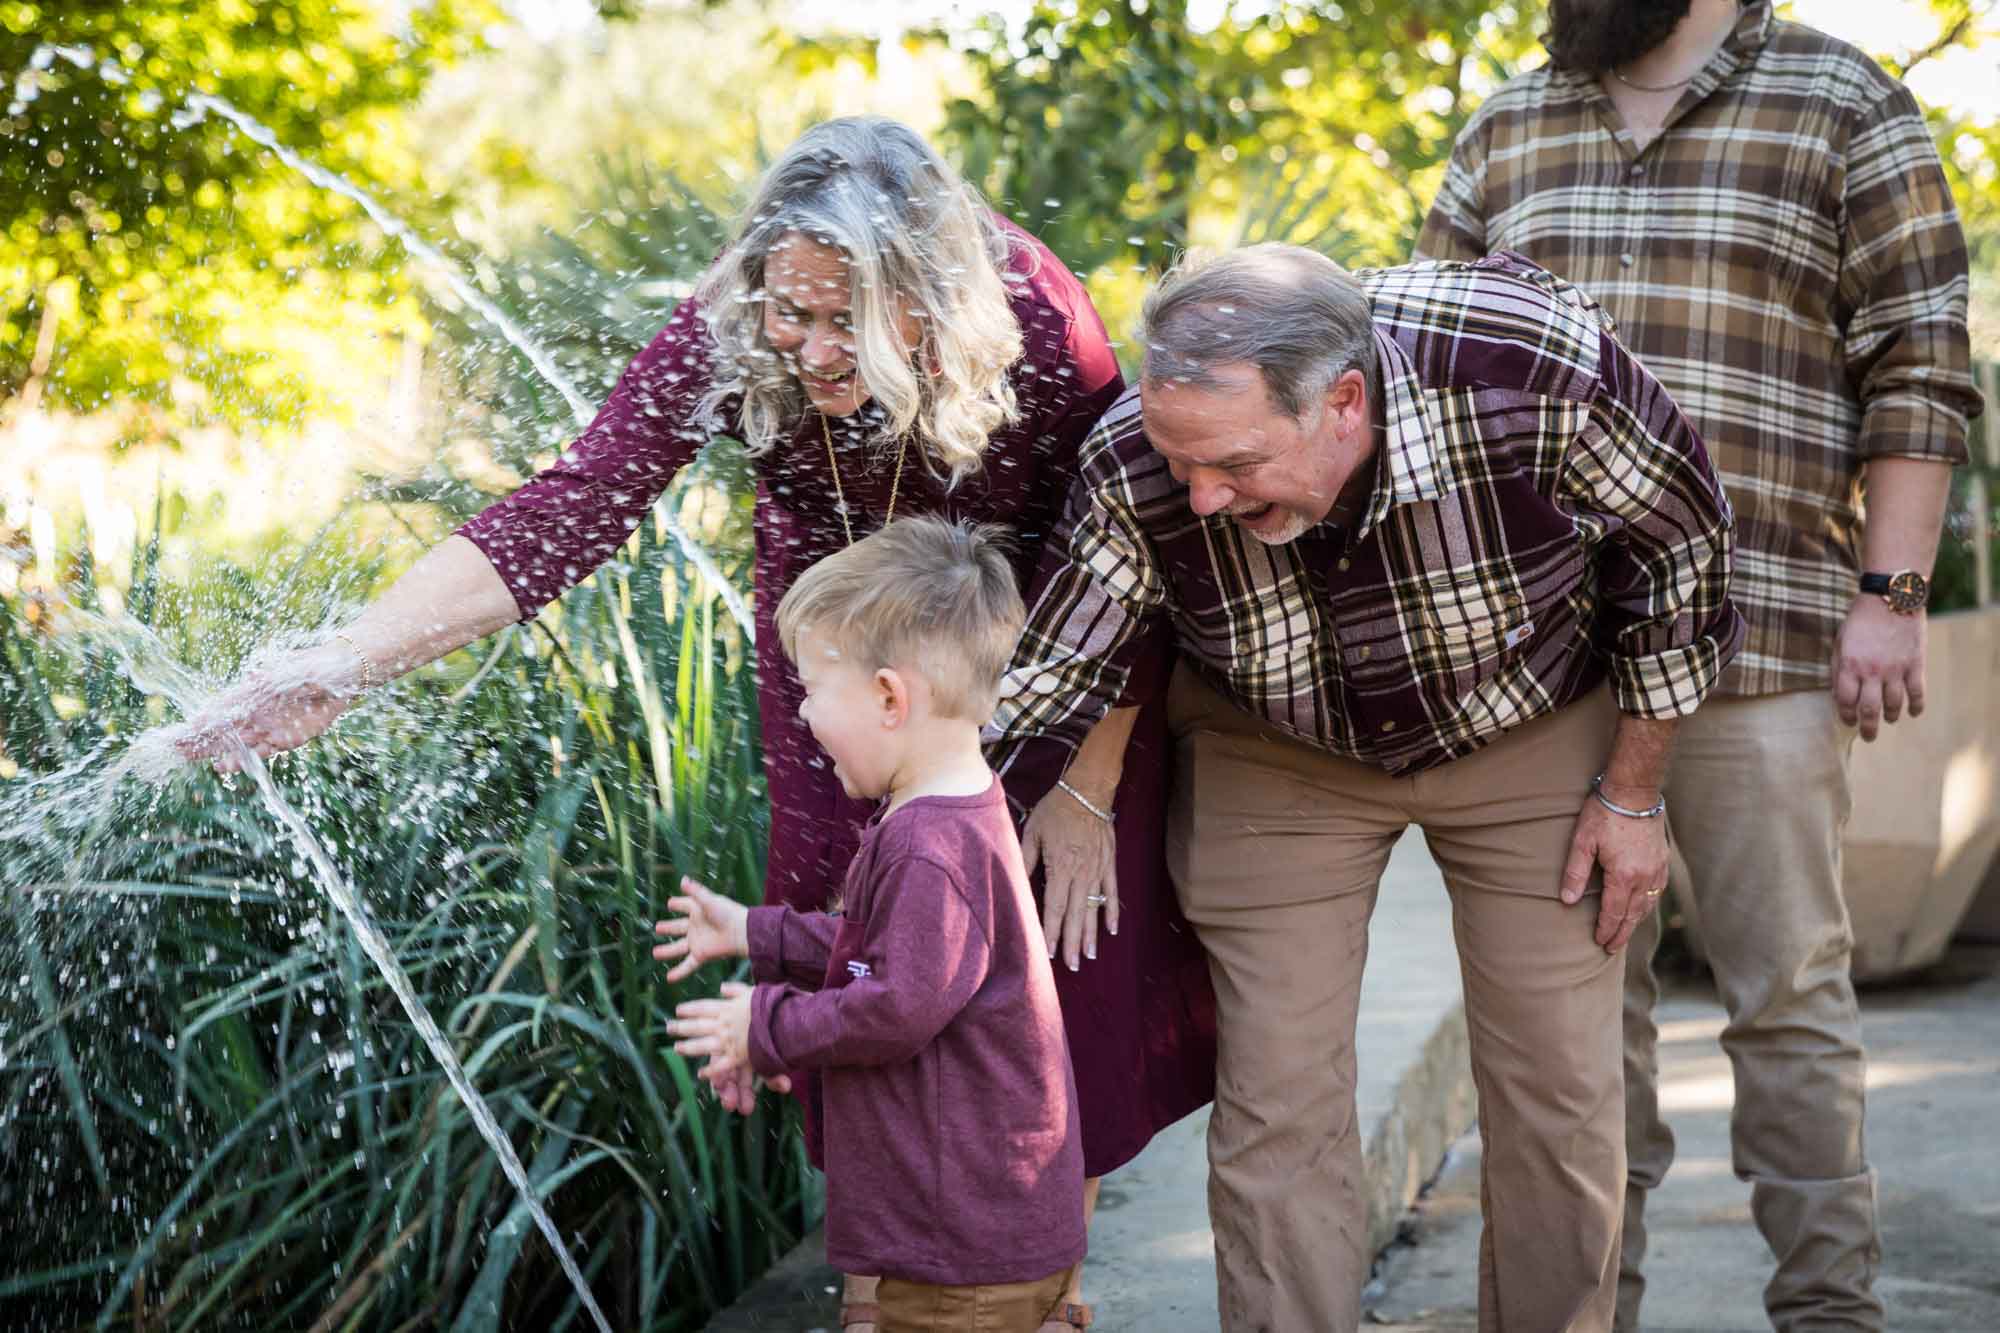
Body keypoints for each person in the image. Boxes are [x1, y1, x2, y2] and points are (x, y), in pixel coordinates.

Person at [179, 115, 1212, 1331]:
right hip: (834, 669)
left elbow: (1133, 534)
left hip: (1040, 669)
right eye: (793, 313)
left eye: (851, 321)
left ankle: (1035, 1297)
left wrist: (1090, 783)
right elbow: (574, 503)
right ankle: (876, 1300)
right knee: (849, 942)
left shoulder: (1034, 318)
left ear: (934, 293)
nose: (816, 349)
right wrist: (347, 663)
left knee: (1052, 994)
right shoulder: (730, 324)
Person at [989, 242, 1745, 1332]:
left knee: (1558, 1093)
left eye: (1235, 464)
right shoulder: (1136, 462)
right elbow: (1052, 680)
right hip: (1271, 743)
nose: (1198, 498)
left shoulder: (1527, 369)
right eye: (1179, 462)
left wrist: (1630, 795)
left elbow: (1683, 552)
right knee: (1274, 1103)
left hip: (1527, 717)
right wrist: (927, 869)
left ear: (1343, 401)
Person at [1415, 3, 1983, 1327]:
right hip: (1541, 670)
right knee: (1570, 1041)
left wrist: (1891, 595)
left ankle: (1830, 1311)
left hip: (1763, 643)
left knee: (1786, 1001)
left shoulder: (1845, 104)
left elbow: (1917, 362)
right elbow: (1413, 370)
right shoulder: (1505, 127)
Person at [658, 516, 1085, 1333]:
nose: (806, 716)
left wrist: (767, 1024)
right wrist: (760, 932)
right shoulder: (953, 810)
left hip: (961, 1268)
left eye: (813, 689)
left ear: (891, 697)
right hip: (979, 1237)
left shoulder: (930, 846)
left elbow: (896, 1006)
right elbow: (890, 959)